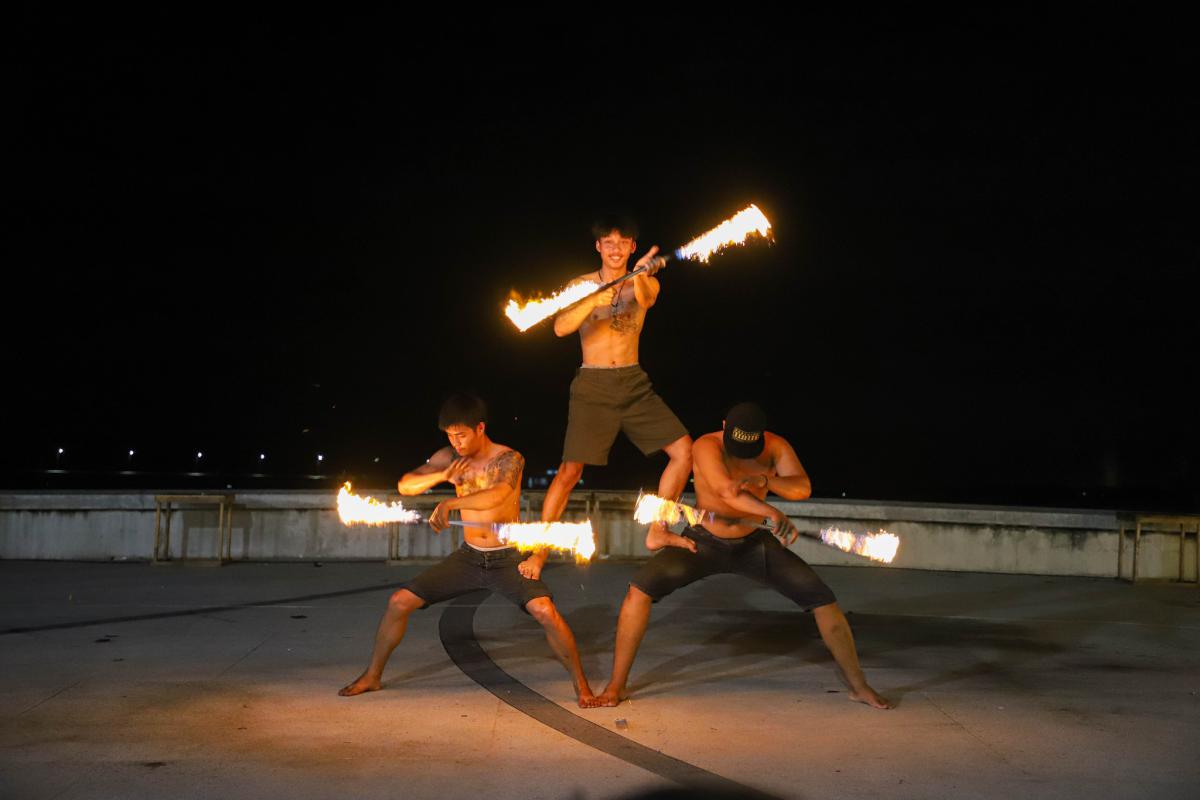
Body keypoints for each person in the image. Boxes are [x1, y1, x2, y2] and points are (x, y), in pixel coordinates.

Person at [594, 402, 892, 709]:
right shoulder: (706, 445)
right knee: (638, 592)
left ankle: (859, 687)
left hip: (754, 545)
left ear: (761, 435)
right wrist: (771, 512)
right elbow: (726, 491)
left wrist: (766, 480)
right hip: (702, 541)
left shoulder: (776, 447)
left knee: (823, 600)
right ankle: (617, 686)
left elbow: (802, 487)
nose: (741, 454)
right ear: (724, 427)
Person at [339, 393, 596, 706]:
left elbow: (498, 495)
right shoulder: (450, 457)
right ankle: (372, 676)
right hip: (469, 557)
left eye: (461, 435)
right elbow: (405, 485)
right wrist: (442, 475)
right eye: (450, 435)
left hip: (508, 557)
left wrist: (450, 503)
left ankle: (582, 686)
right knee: (399, 601)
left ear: (480, 428)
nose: (456, 442)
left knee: (545, 611)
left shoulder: (508, 458)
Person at [541, 215, 693, 552]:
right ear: (598, 246)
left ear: (633, 247)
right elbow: (560, 328)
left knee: (684, 451)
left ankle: (658, 530)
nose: (615, 249)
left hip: (633, 382)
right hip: (592, 382)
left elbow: (647, 299)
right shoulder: (579, 284)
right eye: (608, 242)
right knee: (569, 472)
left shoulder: (645, 282)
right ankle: (538, 552)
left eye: (623, 243)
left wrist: (639, 274)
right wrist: (591, 300)